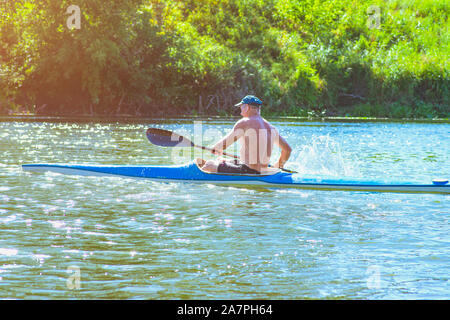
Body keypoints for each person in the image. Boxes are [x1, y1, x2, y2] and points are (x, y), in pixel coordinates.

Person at [200, 95, 292, 174]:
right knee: (220, 159)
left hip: (249, 171)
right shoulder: (271, 128)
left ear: (247, 107)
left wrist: (214, 148)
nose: (240, 110)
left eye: (241, 106)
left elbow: (221, 146)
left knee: (209, 165)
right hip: (263, 171)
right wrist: (279, 166)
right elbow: (287, 150)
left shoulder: (245, 122)